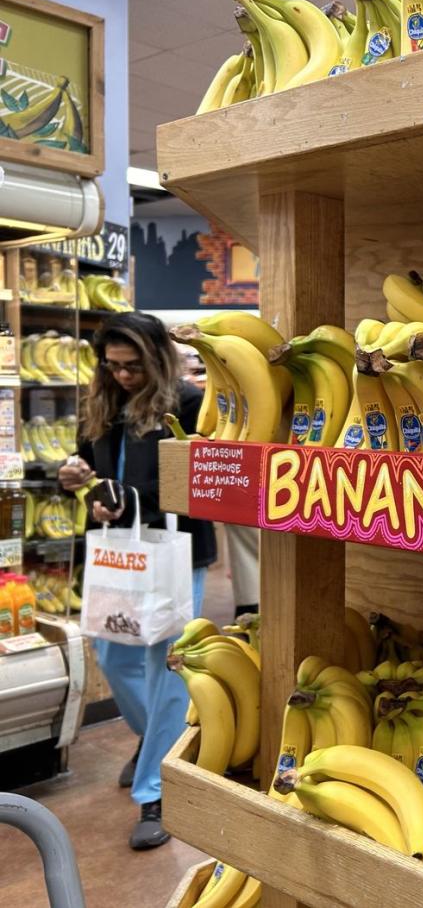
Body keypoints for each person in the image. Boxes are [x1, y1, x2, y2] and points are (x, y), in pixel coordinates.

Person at [59, 312, 217, 849]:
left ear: (155, 358)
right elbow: (90, 469)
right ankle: (157, 742)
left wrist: (124, 499)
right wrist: (76, 480)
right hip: (121, 555)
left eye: (132, 366)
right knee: (115, 656)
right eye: (112, 366)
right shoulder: (102, 406)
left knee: (167, 665)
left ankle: (158, 790)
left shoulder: (190, 403)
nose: (122, 376)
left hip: (175, 552)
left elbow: (198, 485)